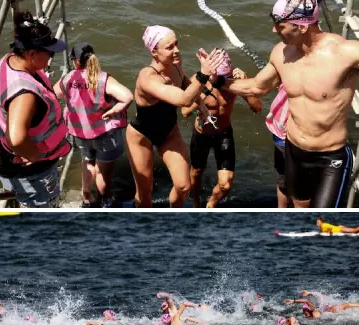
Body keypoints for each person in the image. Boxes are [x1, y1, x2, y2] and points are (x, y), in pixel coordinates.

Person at [224, 0, 359, 207]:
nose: (274, 30)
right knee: (299, 209)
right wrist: (218, 82)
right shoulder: (282, 53)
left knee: (322, 219)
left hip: (330, 157)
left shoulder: (346, 53)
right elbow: (256, 87)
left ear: (302, 26)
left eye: (280, 25)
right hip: (294, 150)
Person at [125, 26, 223, 207]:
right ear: (154, 51)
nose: (176, 50)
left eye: (176, 44)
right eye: (170, 47)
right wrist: (203, 75)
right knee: (145, 195)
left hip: (169, 132)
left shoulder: (176, 63)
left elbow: (184, 83)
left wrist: (201, 104)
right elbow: (184, 100)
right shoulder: (147, 77)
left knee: (183, 186)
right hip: (141, 136)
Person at [0, 10, 71, 208]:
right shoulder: (25, 94)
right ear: (32, 53)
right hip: (32, 170)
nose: (52, 56)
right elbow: (16, 137)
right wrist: (34, 155)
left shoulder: (10, 60)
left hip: (6, 157)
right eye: (49, 52)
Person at [53, 42, 134, 207]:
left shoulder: (68, 78)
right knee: (103, 173)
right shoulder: (103, 78)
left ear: (75, 61)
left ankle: (87, 197)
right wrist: (113, 111)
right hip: (105, 134)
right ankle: (104, 201)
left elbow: (53, 95)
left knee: (88, 161)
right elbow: (127, 96)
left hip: (81, 132)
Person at [182, 51, 262, 207]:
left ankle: (210, 205)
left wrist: (245, 83)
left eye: (226, 74)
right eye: (219, 76)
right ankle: (196, 202)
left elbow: (257, 108)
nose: (222, 79)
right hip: (202, 134)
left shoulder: (233, 83)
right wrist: (204, 91)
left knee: (226, 184)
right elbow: (185, 112)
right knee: (197, 171)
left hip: (224, 133)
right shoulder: (198, 81)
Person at [265, 85, 291, 207]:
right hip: (280, 133)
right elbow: (259, 86)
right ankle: (282, 210)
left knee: (302, 188)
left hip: (304, 136)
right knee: (282, 181)